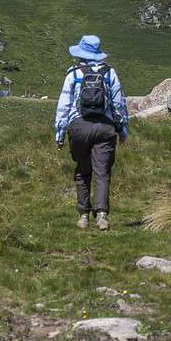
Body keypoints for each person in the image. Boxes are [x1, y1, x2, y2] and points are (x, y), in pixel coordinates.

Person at [54, 34, 128, 231]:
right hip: (105, 127)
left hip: (79, 126)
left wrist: (59, 135)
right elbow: (118, 104)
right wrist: (122, 130)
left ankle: (83, 216)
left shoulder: (73, 73)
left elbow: (64, 106)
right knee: (102, 172)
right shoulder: (109, 72)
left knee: (82, 170)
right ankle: (102, 216)